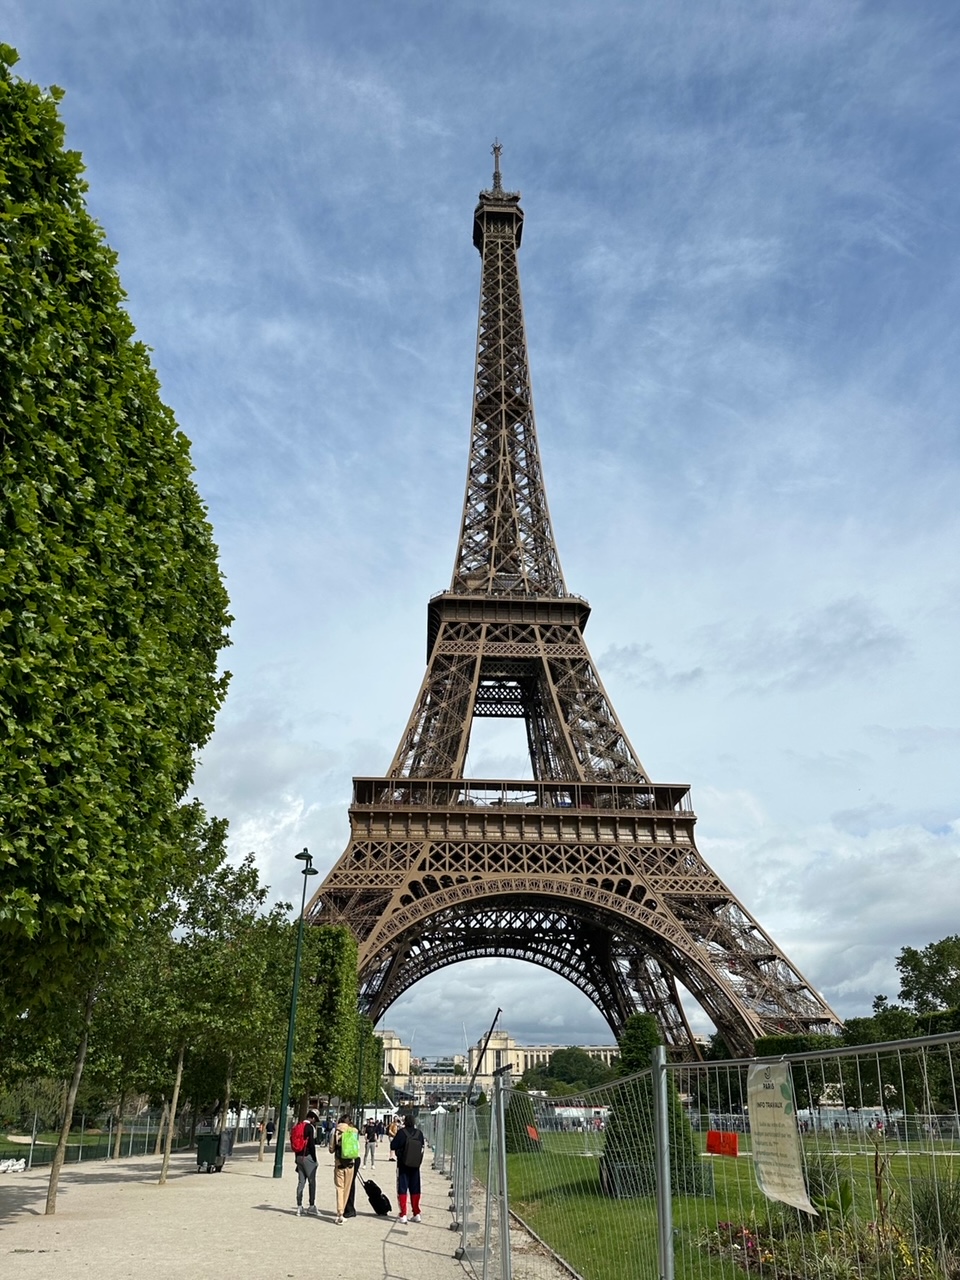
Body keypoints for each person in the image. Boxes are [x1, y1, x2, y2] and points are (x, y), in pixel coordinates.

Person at [390, 1113, 425, 1224]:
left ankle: (403, 1214)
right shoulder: (419, 1133)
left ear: (405, 1121)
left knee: (402, 1189)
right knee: (415, 1189)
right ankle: (416, 1213)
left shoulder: (401, 1133)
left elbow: (393, 1146)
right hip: (415, 1165)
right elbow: (422, 1147)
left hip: (403, 1164)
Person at [329, 1112, 360, 1225]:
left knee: (339, 1188)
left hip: (339, 1163)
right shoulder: (354, 1131)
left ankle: (340, 1213)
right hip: (350, 1163)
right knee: (347, 1189)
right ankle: (344, 1211)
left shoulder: (335, 1131)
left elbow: (331, 1149)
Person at [294, 1110, 320, 1217]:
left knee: (301, 1182)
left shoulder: (298, 1126)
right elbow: (311, 1145)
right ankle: (311, 1205)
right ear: (313, 1118)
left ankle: (299, 1207)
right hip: (308, 1156)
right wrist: (315, 1159)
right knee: (312, 1181)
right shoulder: (310, 1128)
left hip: (299, 1156)